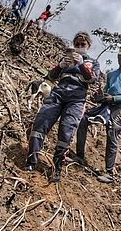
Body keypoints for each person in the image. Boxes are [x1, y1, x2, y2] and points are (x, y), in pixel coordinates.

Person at [24, 32, 100, 182]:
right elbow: (51, 76)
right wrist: (60, 66)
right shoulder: (66, 58)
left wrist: (82, 65)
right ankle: (31, 161)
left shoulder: (93, 62)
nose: (79, 47)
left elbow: (92, 79)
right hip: (59, 92)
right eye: (77, 44)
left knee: (66, 132)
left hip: (77, 98)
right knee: (40, 123)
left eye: (82, 45)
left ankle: (56, 168)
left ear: (88, 46)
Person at [72, 45, 121, 184]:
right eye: (120, 56)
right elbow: (105, 91)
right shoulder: (111, 74)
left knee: (112, 133)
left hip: (120, 107)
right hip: (106, 105)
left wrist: (115, 99)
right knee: (84, 119)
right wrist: (99, 96)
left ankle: (109, 173)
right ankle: (79, 156)